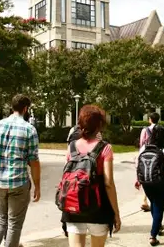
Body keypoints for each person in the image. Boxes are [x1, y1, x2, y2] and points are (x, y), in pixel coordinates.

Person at [0, 94, 41, 247]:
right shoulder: (29, 130)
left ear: (12, 107)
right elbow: (34, 162)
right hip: (19, 183)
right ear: (26, 109)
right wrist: (37, 186)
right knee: (14, 223)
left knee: (2, 219)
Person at [61, 105, 121, 247]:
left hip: (73, 207)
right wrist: (116, 214)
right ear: (100, 125)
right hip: (98, 209)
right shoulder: (105, 148)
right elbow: (108, 183)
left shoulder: (71, 147)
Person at [138, 112, 160, 212]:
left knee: (145, 175)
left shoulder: (145, 130)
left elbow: (142, 143)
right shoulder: (161, 129)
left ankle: (145, 200)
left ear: (150, 119)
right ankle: (153, 199)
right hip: (158, 154)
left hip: (146, 154)